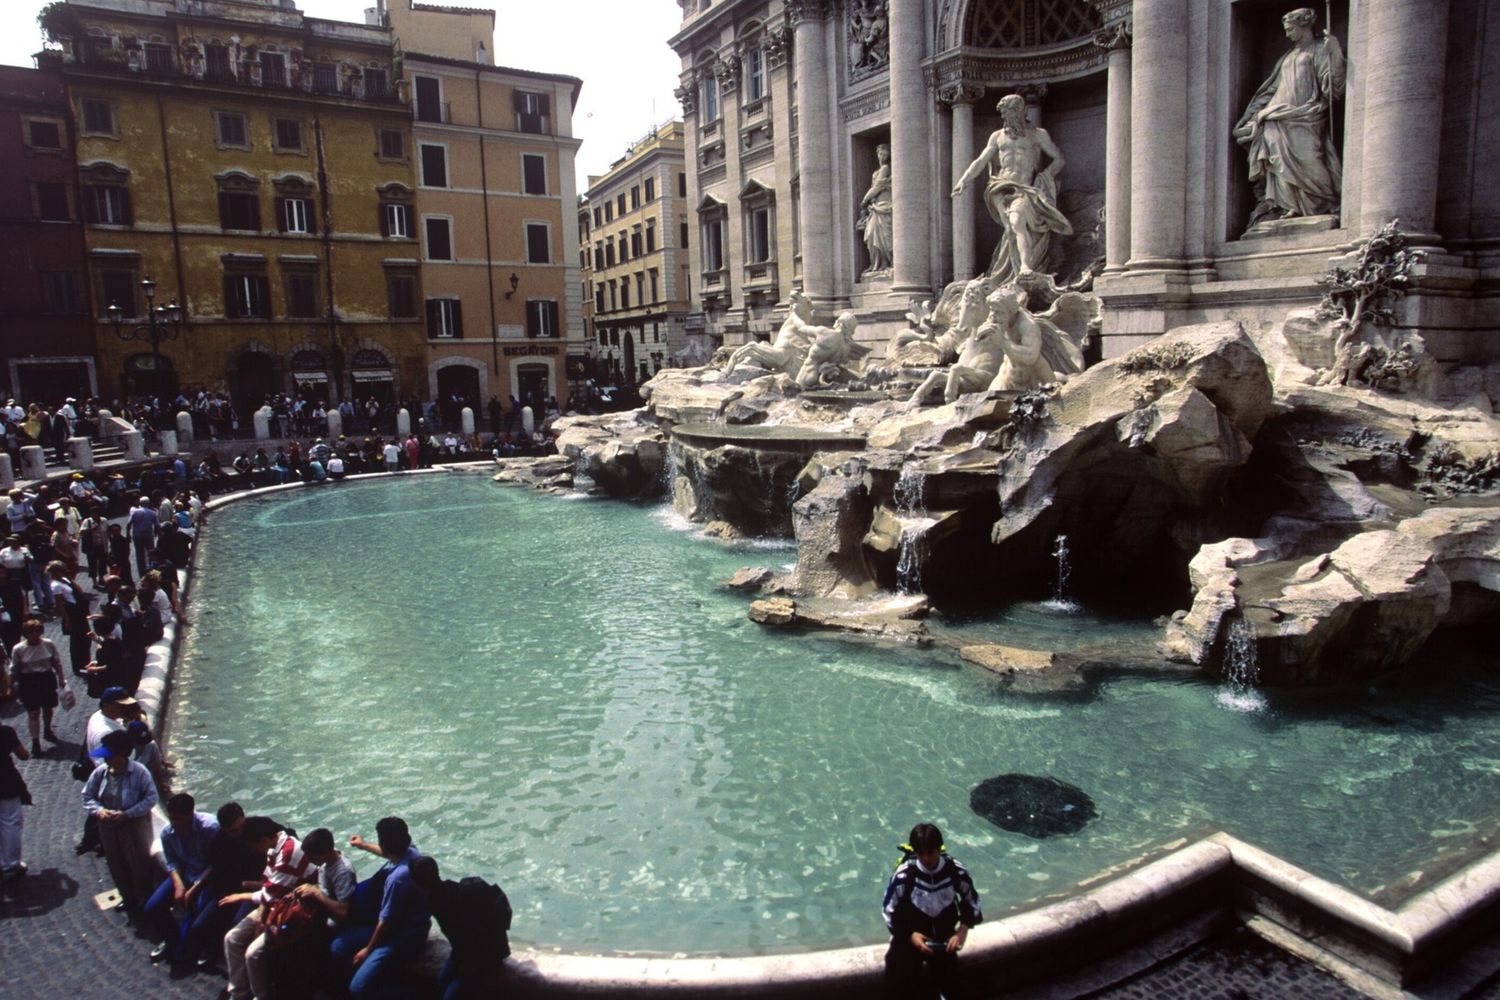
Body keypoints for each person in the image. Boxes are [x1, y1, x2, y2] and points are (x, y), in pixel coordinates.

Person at [1233, 7, 1345, 230]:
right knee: (1277, 161)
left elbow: (1333, 87)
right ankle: (1289, 205)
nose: (1287, 34)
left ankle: (1324, 201)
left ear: (1304, 26)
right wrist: (1253, 117)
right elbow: (1272, 89)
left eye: (1291, 28)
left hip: (1305, 115)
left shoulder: (1320, 50)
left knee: (1310, 158)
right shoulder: (1288, 57)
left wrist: (1336, 53)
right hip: (1275, 116)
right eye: (1285, 30)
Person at [952, 93, 1072, 285]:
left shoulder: (1038, 134)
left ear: (1021, 111)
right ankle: (1015, 273)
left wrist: (1046, 176)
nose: (1006, 118)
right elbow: (981, 160)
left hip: (1024, 187)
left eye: (1010, 113)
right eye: (1004, 114)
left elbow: (1059, 158)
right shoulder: (997, 137)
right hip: (1000, 187)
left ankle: (1025, 266)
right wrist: (964, 181)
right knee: (1010, 228)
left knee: (1016, 221)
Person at [330, 817, 432, 999]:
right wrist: (363, 845)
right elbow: (388, 853)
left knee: (358, 988)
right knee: (338, 946)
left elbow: (386, 922)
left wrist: (367, 951)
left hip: (403, 934)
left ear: (384, 842)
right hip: (403, 924)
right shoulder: (412, 853)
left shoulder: (398, 879)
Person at [220, 816, 318, 1000]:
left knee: (253, 953)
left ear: (263, 840)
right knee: (231, 939)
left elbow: (269, 895)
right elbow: (268, 886)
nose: (253, 850)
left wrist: (242, 899)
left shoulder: (289, 852)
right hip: (275, 903)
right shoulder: (274, 847)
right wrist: (260, 919)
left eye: (253, 845)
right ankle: (238, 993)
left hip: (292, 908)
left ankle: (262, 996)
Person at [881, 822, 982, 999]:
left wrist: (963, 929)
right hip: (910, 938)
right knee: (898, 986)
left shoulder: (955, 871)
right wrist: (909, 935)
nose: (926, 859)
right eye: (921, 854)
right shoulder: (905, 875)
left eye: (931, 852)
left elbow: (971, 900)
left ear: (939, 849)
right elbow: (889, 910)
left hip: (944, 939)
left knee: (952, 987)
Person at [409, 856, 512, 1000]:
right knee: (442, 979)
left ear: (417, 884)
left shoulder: (437, 905)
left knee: (451, 989)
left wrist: (466, 967)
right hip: (490, 948)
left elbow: (465, 939)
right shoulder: (456, 889)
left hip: (478, 958)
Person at [82, 728, 160, 911]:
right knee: (116, 864)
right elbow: (88, 796)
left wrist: (128, 814)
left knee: (139, 864)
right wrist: (99, 811)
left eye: (110, 755)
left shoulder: (140, 773)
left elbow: (151, 798)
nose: (106, 759)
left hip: (134, 827)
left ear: (122, 754)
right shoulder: (100, 773)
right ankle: (128, 897)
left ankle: (144, 898)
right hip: (108, 827)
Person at [145, 792, 219, 964]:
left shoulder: (210, 827)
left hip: (209, 877)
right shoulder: (167, 832)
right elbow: (172, 862)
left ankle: (203, 946)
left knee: (196, 907)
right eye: (171, 818)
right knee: (153, 907)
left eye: (179, 819)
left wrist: (194, 889)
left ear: (191, 814)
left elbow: (216, 864)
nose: (174, 823)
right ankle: (171, 939)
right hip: (186, 873)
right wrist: (179, 885)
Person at [6, 616, 67, 756]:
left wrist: (61, 679)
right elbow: (13, 668)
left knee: (47, 707)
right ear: (25, 633)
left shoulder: (48, 644)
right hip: (28, 681)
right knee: (33, 713)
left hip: (46, 679)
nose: (34, 635)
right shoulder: (19, 649)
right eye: (31, 632)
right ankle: (35, 742)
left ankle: (47, 729)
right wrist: (9, 686)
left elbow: (56, 662)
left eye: (37, 631)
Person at [0, 721, 30, 881]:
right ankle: (11, 863)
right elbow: (24, 755)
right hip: (5, 780)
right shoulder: (5, 731)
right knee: (11, 822)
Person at [859, 142, 893, 273]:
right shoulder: (876, 171)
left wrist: (865, 200)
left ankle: (885, 263)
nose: (882, 156)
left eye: (885, 153)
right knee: (872, 234)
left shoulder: (885, 169)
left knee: (884, 236)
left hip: (883, 205)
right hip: (875, 206)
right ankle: (877, 264)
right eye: (880, 153)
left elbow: (877, 186)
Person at [128, 495, 159, 576]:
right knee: (151, 553)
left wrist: (128, 535)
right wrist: (156, 534)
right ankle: (152, 570)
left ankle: (141, 573)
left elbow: (129, 524)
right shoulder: (152, 513)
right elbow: (157, 526)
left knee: (139, 554)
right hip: (148, 534)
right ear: (148, 503)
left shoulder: (135, 512)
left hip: (137, 535)